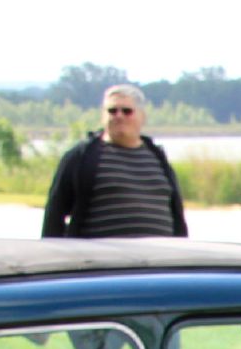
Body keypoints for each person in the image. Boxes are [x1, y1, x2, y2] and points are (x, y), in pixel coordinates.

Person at [41, 85, 187, 238]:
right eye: (112, 111)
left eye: (127, 111)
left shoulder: (158, 158)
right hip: (101, 259)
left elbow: (177, 217)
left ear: (142, 116)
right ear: (103, 116)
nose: (119, 116)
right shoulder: (81, 158)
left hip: (158, 258)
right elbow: (54, 214)